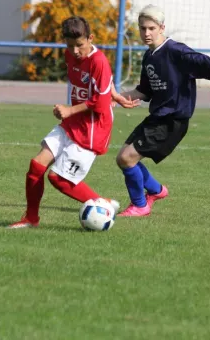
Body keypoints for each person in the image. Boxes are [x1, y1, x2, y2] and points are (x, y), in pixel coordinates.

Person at [114, 5, 210, 217]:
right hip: (157, 118)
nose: (146, 33)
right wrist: (118, 98)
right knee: (123, 158)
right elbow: (144, 91)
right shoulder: (149, 57)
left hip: (172, 121)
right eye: (142, 28)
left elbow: (207, 63)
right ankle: (156, 191)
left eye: (151, 28)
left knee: (128, 158)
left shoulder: (175, 51)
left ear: (161, 27)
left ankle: (140, 205)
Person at [8, 16, 131, 228]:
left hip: (93, 128)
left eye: (80, 45)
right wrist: (112, 92)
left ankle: (103, 205)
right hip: (74, 121)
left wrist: (69, 109)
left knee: (58, 179)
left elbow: (100, 105)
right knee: (37, 165)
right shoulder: (70, 55)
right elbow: (101, 84)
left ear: (91, 38)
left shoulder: (98, 61)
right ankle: (31, 219)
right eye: (69, 45)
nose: (74, 51)